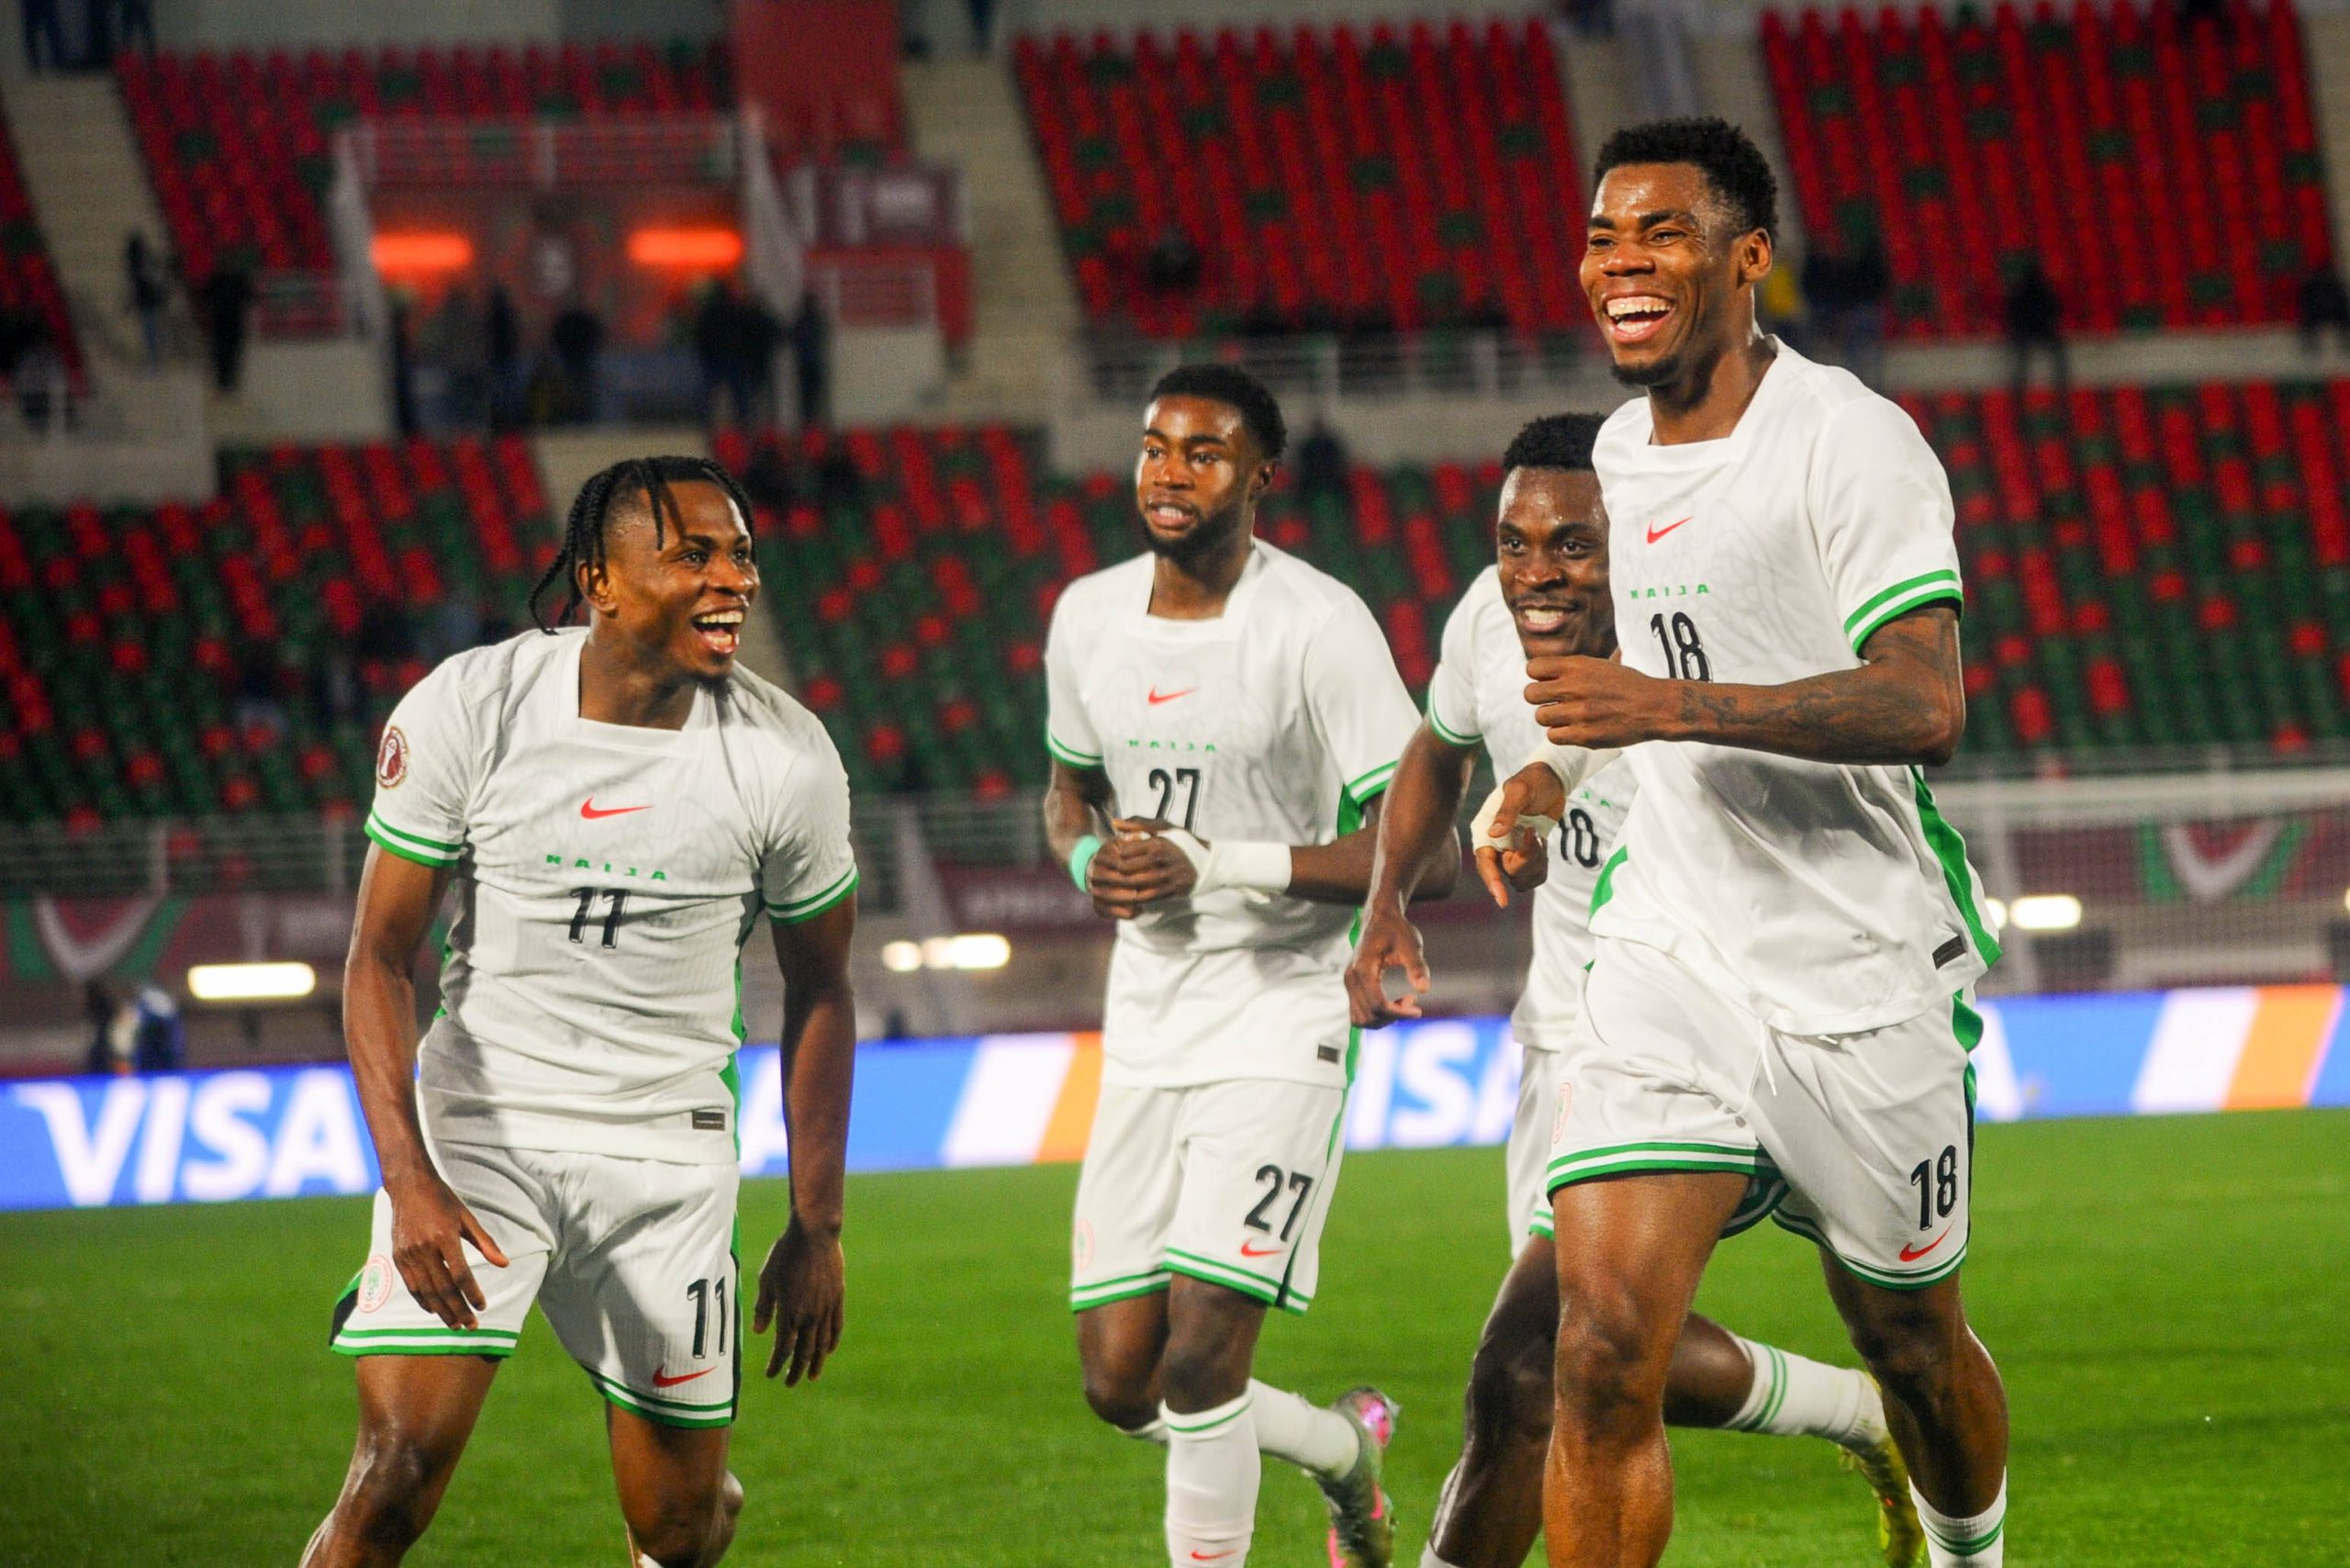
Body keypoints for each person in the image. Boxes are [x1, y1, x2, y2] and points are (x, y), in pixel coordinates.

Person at [1484, 116, 2010, 1568]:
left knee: (1911, 1346)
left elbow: (1925, 703)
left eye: (1661, 234)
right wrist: (1551, 773)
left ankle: (1971, 1552)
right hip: (1673, 952)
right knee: (1600, 1345)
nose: (1621, 264)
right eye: (1603, 236)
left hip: (1857, 967)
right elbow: (1636, 672)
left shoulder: (1849, 440)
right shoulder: (1613, 451)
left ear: (1747, 259)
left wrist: (1666, 710)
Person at [1346, 412, 1923, 1568]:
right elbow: (1436, 747)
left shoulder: (1715, 627)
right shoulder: (1485, 621)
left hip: (1725, 1023)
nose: (1536, 575)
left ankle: (1885, 1410)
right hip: (1567, 1040)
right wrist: (1386, 898)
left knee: (1531, 1362)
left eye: (1574, 545)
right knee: (1554, 1370)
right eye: (1515, 543)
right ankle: (1862, 1412)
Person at [301, 457, 862, 1568]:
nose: (734, 579)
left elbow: (822, 988)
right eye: (694, 554)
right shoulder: (473, 705)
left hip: (666, 1152)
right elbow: (378, 955)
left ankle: (701, 1499)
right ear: (598, 580)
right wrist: (408, 1178)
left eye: (741, 554)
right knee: (394, 1474)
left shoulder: (787, 756)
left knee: (677, 1527)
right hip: (485, 1133)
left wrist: (817, 1226)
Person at [1043, 364, 1440, 1568]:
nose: (1170, 472)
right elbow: (1067, 795)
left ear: (1261, 477)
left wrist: (1217, 862)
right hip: (1148, 1019)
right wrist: (1088, 862)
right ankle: (1343, 1450)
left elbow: (1418, 847)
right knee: (1123, 1382)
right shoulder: (1087, 617)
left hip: (1282, 1008)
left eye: (1204, 452)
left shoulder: (1316, 624)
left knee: (1206, 1353)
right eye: (1155, 446)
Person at [2001, 255, 2065, 401]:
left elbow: (2012, 312)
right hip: (2041, 329)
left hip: (2026, 330)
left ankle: (2017, 384)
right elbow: (2055, 309)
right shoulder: (2045, 289)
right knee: (2057, 353)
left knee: (2021, 356)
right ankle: (2061, 380)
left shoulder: (2019, 290)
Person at [197, 263, 254, 394]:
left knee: (220, 352)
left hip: (219, 321)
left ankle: (222, 381)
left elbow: (205, 297)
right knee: (233, 352)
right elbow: (249, 298)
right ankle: (231, 379)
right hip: (234, 321)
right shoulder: (239, 280)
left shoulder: (215, 280)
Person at [126, 232, 168, 367]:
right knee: (150, 331)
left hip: (149, 302)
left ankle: (154, 359)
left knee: (151, 331)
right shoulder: (138, 266)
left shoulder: (141, 265)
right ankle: (154, 358)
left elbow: (144, 285)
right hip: (148, 302)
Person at [790, 288, 830, 431]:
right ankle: (814, 424)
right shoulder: (818, 321)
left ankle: (808, 424)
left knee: (805, 399)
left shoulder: (800, 321)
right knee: (815, 398)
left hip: (804, 364)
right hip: (815, 363)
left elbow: (792, 337)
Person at [2298, 260, 2350, 358]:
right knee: (2309, 323)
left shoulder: (2315, 283)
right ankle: (2310, 346)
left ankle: (2310, 346)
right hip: (2323, 311)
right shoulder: (2317, 284)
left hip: (2325, 311)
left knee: (2344, 321)